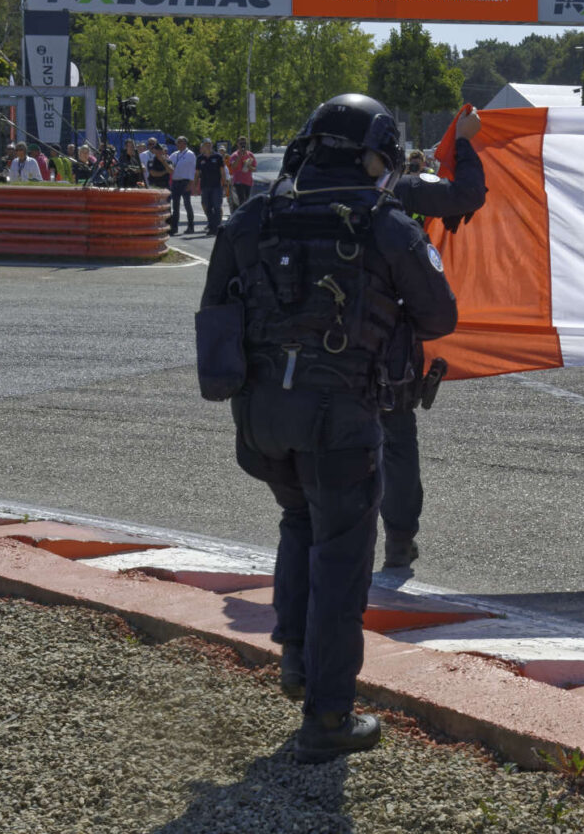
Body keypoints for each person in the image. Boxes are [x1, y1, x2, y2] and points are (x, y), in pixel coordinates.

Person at [200, 93, 456, 763]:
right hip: (339, 420)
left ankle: (296, 657)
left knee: (298, 523)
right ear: (371, 155)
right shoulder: (385, 222)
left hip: (260, 422)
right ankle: (329, 716)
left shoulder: (254, 216)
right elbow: (440, 318)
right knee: (343, 556)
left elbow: (215, 313)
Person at [377, 108, 486, 570]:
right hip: (385, 345)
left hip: (309, 349)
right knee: (396, 444)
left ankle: (318, 536)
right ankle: (398, 541)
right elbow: (468, 195)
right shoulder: (400, 188)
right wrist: (463, 141)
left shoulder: (291, 196)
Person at [196, 139, 228, 235]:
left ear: (212, 145)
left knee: (217, 207)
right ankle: (212, 225)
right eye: (206, 144)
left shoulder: (217, 157)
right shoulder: (200, 158)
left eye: (209, 144)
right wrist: (194, 185)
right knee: (207, 206)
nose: (208, 146)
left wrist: (225, 184)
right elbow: (197, 173)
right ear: (203, 146)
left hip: (216, 186)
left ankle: (216, 228)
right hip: (205, 186)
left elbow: (222, 171)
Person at [167, 135, 198, 234]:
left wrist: (191, 182)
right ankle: (174, 228)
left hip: (185, 181)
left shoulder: (190, 154)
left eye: (180, 142)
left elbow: (193, 169)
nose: (178, 144)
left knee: (187, 204)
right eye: (177, 142)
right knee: (175, 206)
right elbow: (168, 162)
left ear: (185, 143)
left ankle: (191, 227)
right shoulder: (174, 154)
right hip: (176, 182)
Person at [227, 137, 257, 206]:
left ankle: (245, 214)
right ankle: (242, 215)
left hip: (248, 181)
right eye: (241, 143)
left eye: (244, 143)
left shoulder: (250, 155)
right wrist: (239, 156)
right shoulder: (234, 155)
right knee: (242, 200)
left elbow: (254, 169)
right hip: (238, 181)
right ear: (237, 144)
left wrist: (248, 165)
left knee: (247, 200)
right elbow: (233, 167)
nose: (243, 145)